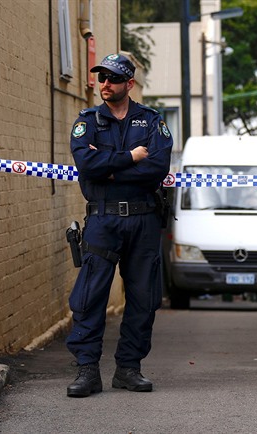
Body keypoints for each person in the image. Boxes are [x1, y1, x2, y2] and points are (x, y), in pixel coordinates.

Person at [66, 53, 173, 397]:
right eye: (101, 78)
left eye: (113, 78)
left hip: (143, 219)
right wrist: (129, 158)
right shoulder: (87, 122)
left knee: (143, 297)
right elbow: (86, 162)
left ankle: (129, 368)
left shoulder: (151, 120)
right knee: (90, 296)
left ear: (129, 84)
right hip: (103, 219)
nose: (105, 84)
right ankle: (87, 370)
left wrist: (109, 167)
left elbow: (156, 167)